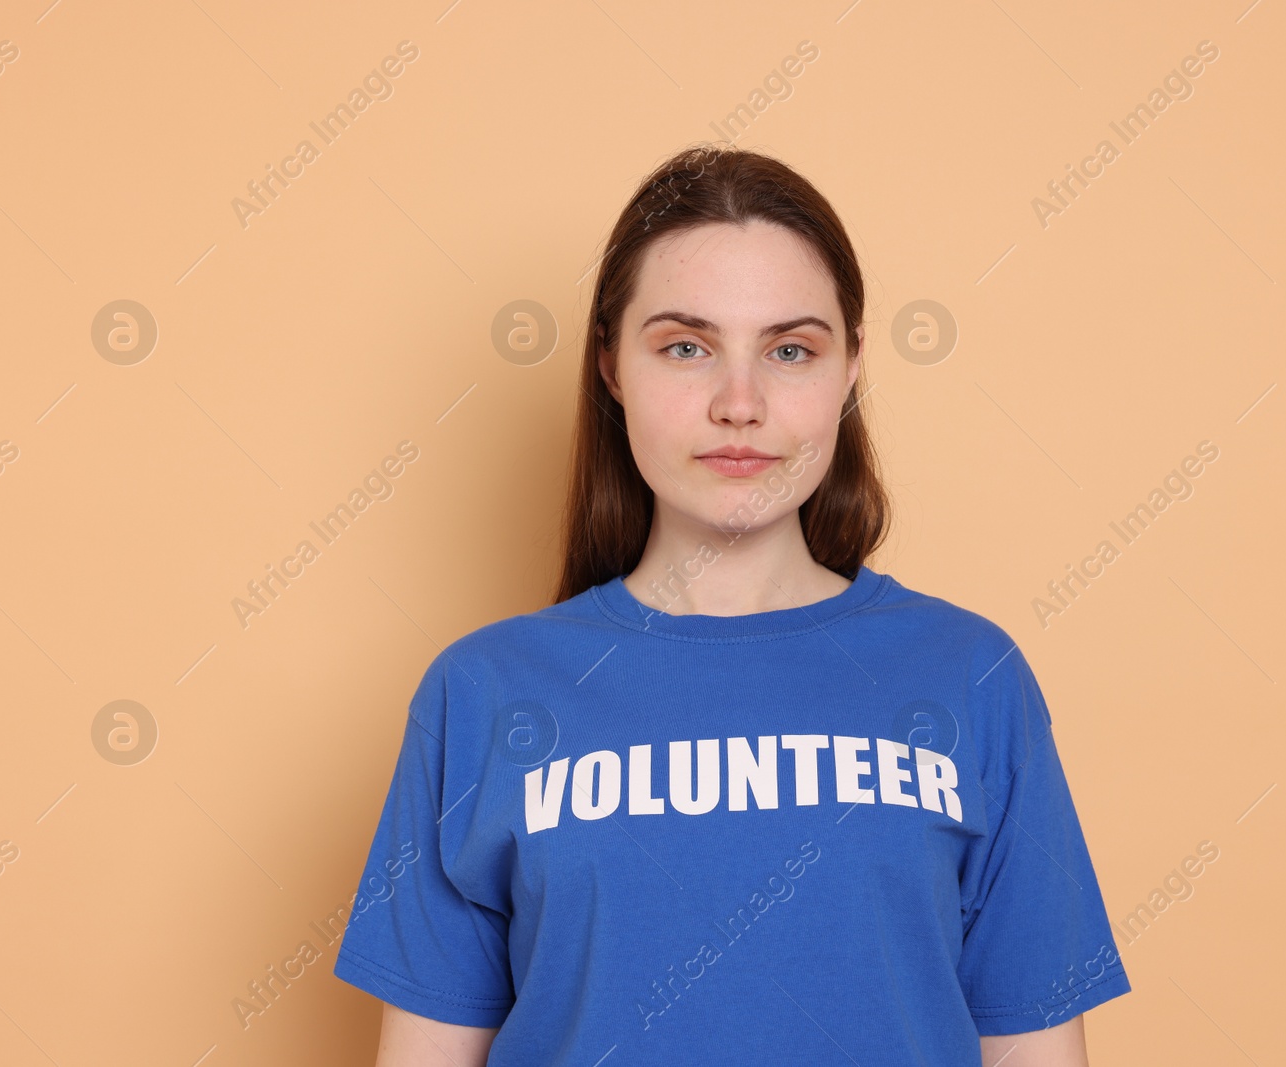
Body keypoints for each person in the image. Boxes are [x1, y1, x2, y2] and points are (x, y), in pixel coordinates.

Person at [331, 144, 1130, 1066]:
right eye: (685, 347)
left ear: (852, 369)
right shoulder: (481, 693)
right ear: (611, 367)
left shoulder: (970, 676)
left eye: (791, 350)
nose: (739, 403)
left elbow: (1035, 1047)